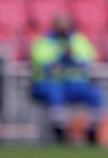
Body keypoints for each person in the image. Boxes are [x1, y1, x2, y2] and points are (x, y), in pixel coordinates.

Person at [30, 14, 103, 144]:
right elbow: (42, 63)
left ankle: (91, 131)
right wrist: (61, 58)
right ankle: (60, 132)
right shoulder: (44, 41)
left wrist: (74, 58)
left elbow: (90, 58)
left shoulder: (78, 40)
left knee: (95, 94)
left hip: (74, 84)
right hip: (50, 83)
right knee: (54, 93)